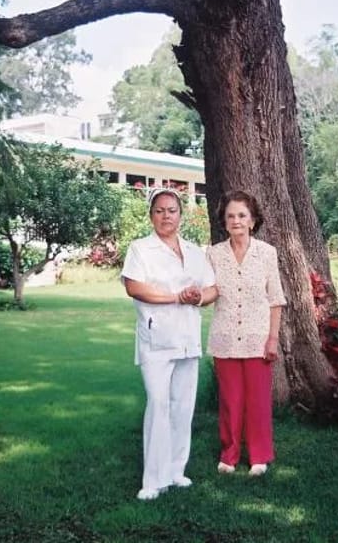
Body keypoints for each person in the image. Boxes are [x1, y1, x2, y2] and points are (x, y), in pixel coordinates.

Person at [121, 188, 217, 501]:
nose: (166, 216)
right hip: (157, 338)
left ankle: (176, 471)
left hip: (188, 338)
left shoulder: (194, 251)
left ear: (181, 215)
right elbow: (135, 288)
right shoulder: (140, 249)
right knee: (159, 405)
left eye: (172, 210)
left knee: (182, 407)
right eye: (160, 210)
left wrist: (198, 297)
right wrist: (176, 296)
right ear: (151, 215)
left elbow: (212, 288)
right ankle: (153, 480)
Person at [206, 190, 286, 477]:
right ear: (223, 222)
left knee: (257, 402)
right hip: (224, 338)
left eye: (242, 215)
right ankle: (229, 455)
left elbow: (275, 298)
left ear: (253, 221)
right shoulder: (213, 254)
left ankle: (259, 457)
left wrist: (273, 338)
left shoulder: (267, 253)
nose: (236, 220)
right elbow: (210, 291)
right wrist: (194, 296)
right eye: (230, 216)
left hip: (258, 338)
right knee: (230, 401)